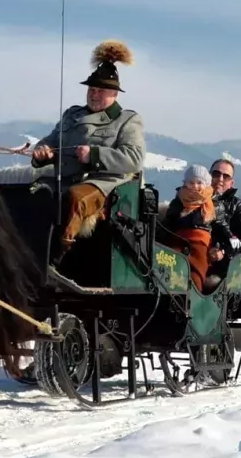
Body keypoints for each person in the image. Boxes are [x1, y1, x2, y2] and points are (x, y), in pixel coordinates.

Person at [25, 40, 146, 260]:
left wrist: (95, 155)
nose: (94, 94)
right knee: (32, 192)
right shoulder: (72, 115)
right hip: (66, 178)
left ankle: (59, 256)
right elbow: (52, 140)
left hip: (104, 184)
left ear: (115, 94)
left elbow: (135, 158)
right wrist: (43, 152)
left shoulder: (126, 120)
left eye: (101, 90)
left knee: (77, 198)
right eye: (92, 89)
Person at [157, 163, 229, 292]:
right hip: (179, 237)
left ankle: (194, 292)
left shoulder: (213, 203)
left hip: (201, 241)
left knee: (197, 267)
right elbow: (170, 220)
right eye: (191, 182)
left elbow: (220, 226)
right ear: (185, 183)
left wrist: (225, 243)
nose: (195, 186)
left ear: (206, 184)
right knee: (169, 261)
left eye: (199, 183)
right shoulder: (180, 199)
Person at [208, 158, 241, 270]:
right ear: (208, 176)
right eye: (216, 174)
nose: (220, 179)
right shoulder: (192, 198)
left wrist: (224, 251)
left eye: (226, 176)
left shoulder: (238, 206)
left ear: (231, 183)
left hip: (222, 266)